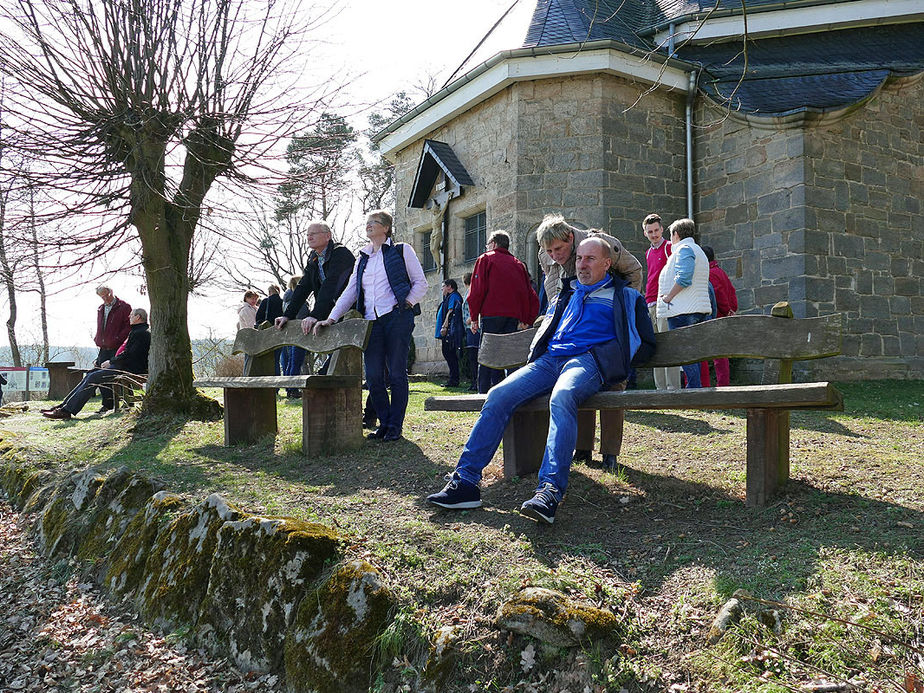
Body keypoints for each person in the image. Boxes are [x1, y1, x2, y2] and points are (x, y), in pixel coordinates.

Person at [427, 238, 656, 524]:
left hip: (587, 361)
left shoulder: (626, 297)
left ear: (607, 263)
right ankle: (466, 482)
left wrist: (612, 356)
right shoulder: (568, 292)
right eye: (580, 258)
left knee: (562, 398)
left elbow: (646, 345)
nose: (581, 264)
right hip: (549, 361)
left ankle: (549, 490)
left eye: (590, 259)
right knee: (498, 394)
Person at [536, 214, 643, 467]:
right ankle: (582, 449)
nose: (555, 255)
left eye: (559, 249)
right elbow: (555, 290)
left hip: (607, 328)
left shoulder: (602, 244)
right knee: (575, 387)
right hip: (574, 330)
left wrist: (623, 309)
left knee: (613, 385)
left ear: (571, 238)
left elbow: (634, 270)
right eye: (549, 250)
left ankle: (610, 453)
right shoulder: (546, 255)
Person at [313, 210, 427, 442]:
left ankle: (395, 426)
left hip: (396, 318)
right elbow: (351, 291)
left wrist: (406, 304)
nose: (368, 226)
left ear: (386, 228)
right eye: (366, 223)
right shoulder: (362, 258)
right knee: (374, 376)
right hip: (371, 322)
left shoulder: (401, 250)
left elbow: (420, 283)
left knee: (396, 374)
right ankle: (384, 424)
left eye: (373, 223)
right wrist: (332, 318)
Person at [274, 221, 356, 390]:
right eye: (308, 234)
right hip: (331, 312)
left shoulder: (341, 254)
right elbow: (303, 287)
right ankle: (324, 378)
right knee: (334, 353)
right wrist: (288, 315)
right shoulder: (313, 258)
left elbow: (331, 286)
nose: (309, 237)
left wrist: (315, 315)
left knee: (346, 354)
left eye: (314, 233)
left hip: (350, 311)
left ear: (327, 236)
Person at [42, 308, 151, 420]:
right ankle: (63, 407)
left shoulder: (141, 333)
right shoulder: (137, 331)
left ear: (138, 317)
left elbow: (131, 355)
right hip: (123, 366)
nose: (129, 317)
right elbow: (128, 354)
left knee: (93, 377)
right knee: (91, 374)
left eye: (132, 315)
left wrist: (111, 361)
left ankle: (67, 411)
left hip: (129, 369)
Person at [467, 230, 539, 393]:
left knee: (487, 356)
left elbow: (477, 290)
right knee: (510, 358)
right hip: (512, 316)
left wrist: (474, 317)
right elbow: (529, 294)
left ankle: (483, 394)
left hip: (491, 314)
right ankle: (512, 393)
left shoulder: (486, 259)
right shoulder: (518, 264)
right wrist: (527, 318)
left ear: (493, 243)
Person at [657, 218, 711, 388]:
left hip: (683, 311)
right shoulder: (698, 251)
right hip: (696, 308)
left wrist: (668, 298)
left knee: (684, 352)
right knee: (692, 353)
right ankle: (695, 388)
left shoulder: (684, 249)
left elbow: (684, 278)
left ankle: (694, 388)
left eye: (671, 234)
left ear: (676, 234)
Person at [642, 214, 681, 391]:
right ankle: (659, 389)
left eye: (656, 230)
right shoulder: (648, 252)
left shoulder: (669, 247)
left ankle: (673, 389)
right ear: (645, 233)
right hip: (649, 302)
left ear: (662, 229)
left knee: (668, 345)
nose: (654, 234)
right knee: (655, 346)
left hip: (665, 302)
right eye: (650, 231)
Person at [700, 245, 738, 387]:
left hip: (718, 316)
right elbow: (731, 290)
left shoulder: (710, 273)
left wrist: (727, 310)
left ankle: (722, 385)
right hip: (725, 314)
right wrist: (733, 308)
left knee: (718, 355)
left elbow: (719, 294)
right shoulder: (720, 271)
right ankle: (724, 384)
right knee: (722, 354)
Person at [93, 285, 132, 413]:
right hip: (104, 347)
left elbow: (128, 327)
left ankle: (129, 401)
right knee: (101, 373)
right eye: (101, 297)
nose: (104, 298)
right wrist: (97, 339)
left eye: (106, 295)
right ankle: (107, 404)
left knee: (122, 373)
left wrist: (117, 339)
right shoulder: (100, 308)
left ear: (111, 292)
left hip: (118, 346)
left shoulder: (124, 307)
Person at [435, 279, 464, 387]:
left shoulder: (454, 296)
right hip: (448, 332)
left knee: (450, 354)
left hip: (450, 332)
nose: (442, 289)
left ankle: (454, 380)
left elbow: (451, 311)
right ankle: (453, 379)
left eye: (443, 286)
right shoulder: (448, 297)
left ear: (449, 287)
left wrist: (445, 326)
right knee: (448, 354)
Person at [461, 272, 479, 392]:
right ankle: (474, 382)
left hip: (473, 328)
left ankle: (476, 382)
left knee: (475, 356)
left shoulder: (472, 291)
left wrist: (472, 318)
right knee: (472, 357)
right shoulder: (468, 292)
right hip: (469, 329)